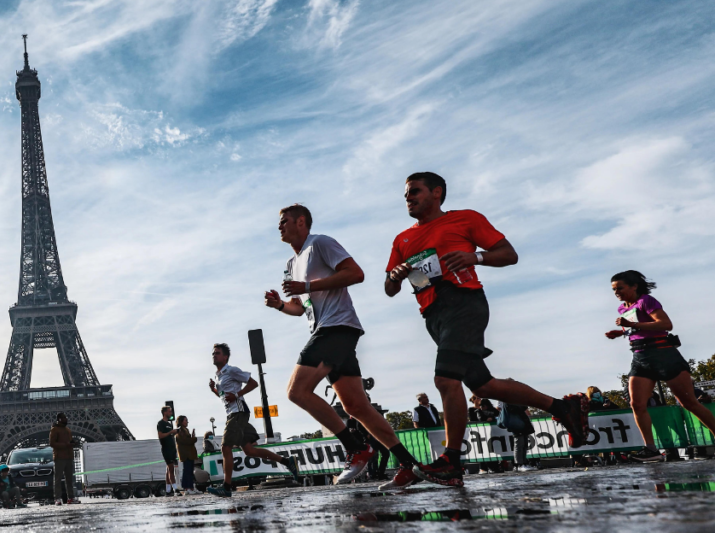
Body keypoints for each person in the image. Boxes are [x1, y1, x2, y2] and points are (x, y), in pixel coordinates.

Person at [385, 172, 589, 487]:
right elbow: (389, 288)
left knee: (445, 379)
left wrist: (475, 256)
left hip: (465, 303)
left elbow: (509, 254)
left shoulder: (465, 219)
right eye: (406, 194)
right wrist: (396, 276)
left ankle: (451, 461)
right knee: (484, 387)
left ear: (437, 193)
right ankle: (562, 407)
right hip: (432, 313)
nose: (408, 198)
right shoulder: (402, 239)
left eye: (415, 192)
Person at [264, 204, 423, 490]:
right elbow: (300, 309)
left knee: (296, 391)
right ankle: (409, 464)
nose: (280, 226)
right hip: (327, 329)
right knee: (356, 406)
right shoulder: (291, 264)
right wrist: (280, 305)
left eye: (284, 221)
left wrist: (308, 287)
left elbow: (356, 274)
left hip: (337, 327)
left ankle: (356, 448)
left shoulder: (320, 243)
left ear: (301, 222)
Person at [604, 270, 715, 462]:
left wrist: (632, 325)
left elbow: (665, 324)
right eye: (614, 289)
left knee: (690, 403)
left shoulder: (646, 301)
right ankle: (651, 450)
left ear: (634, 286)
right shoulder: (622, 309)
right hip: (640, 357)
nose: (616, 292)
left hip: (664, 354)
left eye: (620, 288)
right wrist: (621, 332)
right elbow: (636, 328)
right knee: (636, 404)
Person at [206, 343, 301, 497]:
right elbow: (226, 398)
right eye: (213, 353)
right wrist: (214, 390)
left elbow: (253, 383)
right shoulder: (218, 376)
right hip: (234, 413)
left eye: (217, 353)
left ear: (225, 357)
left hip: (238, 413)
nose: (214, 355)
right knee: (249, 450)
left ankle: (226, 487)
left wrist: (237, 394)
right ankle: (287, 462)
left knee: (225, 447)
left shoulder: (231, 370)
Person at [49, 412, 78, 505]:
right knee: (58, 479)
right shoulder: (54, 430)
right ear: (59, 419)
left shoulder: (68, 430)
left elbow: (68, 442)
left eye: (66, 417)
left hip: (69, 457)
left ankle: (71, 497)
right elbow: (52, 443)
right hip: (59, 457)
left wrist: (73, 443)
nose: (66, 419)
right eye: (64, 418)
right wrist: (66, 445)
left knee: (70, 479)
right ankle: (57, 498)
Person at [157, 406, 179, 496]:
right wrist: (170, 432)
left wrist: (174, 433)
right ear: (165, 412)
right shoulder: (160, 423)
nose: (171, 413)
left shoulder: (170, 424)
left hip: (172, 448)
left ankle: (168, 489)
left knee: (169, 469)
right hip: (166, 448)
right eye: (169, 411)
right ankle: (175, 488)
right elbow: (160, 436)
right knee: (171, 468)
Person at [175, 416, 200, 495]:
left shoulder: (186, 430)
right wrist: (193, 438)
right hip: (186, 454)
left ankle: (191, 487)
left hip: (190, 453)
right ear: (181, 421)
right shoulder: (180, 431)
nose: (187, 422)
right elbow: (186, 441)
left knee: (190, 471)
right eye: (185, 420)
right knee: (187, 471)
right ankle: (187, 488)